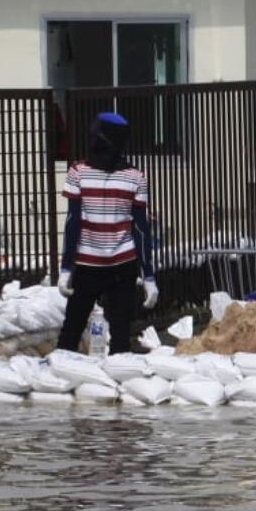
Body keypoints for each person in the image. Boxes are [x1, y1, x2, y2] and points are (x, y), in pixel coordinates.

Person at [57, 111, 158, 355]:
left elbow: (73, 223)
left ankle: (63, 377)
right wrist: (148, 276)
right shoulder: (136, 176)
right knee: (121, 334)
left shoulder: (77, 171)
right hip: (123, 263)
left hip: (88, 262)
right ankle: (117, 384)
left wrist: (67, 268)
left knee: (71, 330)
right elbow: (141, 229)